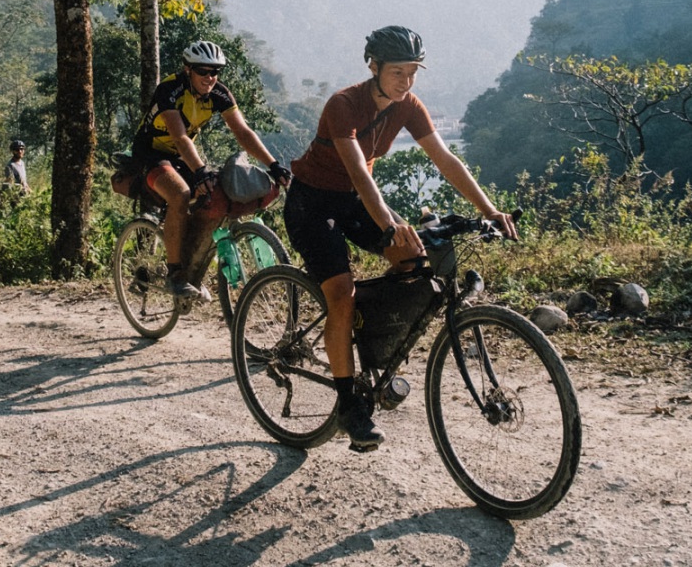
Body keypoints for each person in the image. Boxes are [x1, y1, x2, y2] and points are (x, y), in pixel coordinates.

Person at [283, 25, 516, 451]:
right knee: (340, 291)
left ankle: (374, 350)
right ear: (373, 66)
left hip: (354, 202)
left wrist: (490, 211)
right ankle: (348, 403)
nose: (405, 81)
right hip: (312, 205)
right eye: (397, 72)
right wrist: (390, 225)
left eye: (412, 72)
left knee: (414, 261)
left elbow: (445, 159)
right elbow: (357, 170)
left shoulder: (407, 105)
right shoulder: (344, 104)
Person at [127, 41, 289, 299]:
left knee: (212, 197)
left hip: (180, 156)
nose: (210, 78)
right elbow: (180, 137)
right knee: (180, 194)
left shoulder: (219, 94)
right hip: (151, 153)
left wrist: (273, 164)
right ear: (187, 69)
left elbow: (243, 132)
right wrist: (200, 169)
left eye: (215, 72)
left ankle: (191, 264)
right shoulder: (169, 89)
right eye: (203, 71)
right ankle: (175, 274)